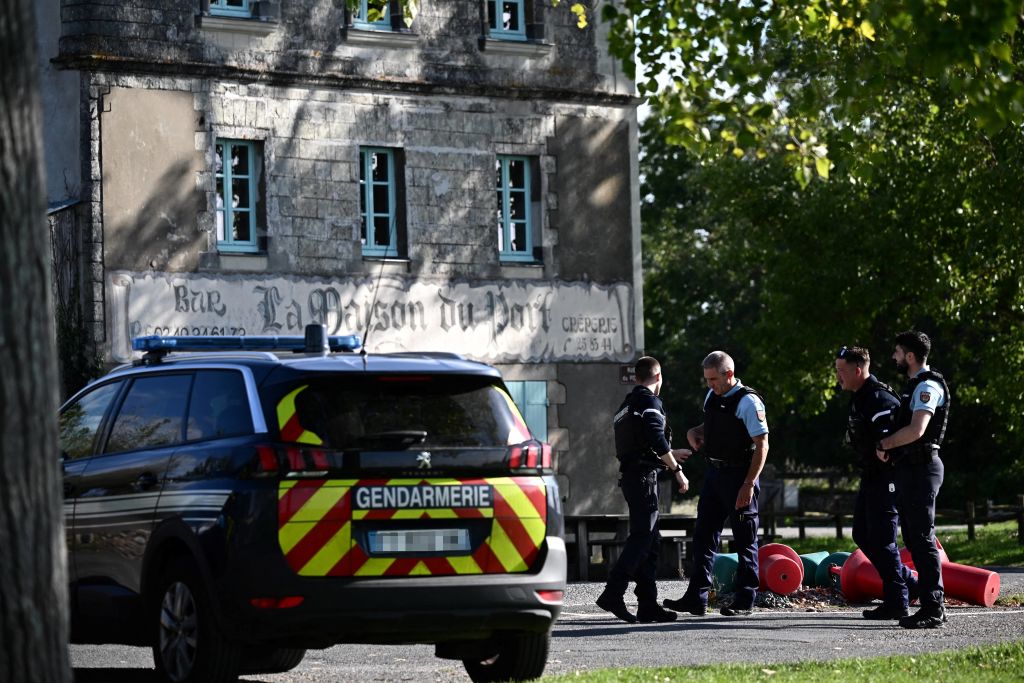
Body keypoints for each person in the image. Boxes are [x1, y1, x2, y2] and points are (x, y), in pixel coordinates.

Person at [663, 351, 768, 617]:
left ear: (729, 374)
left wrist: (748, 484)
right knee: (703, 536)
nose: (709, 385)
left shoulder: (748, 401)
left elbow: (762, 445)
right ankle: (696, 597)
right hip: (715, 474)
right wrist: (693, 432)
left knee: (745, 539)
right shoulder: (713, 396)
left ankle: (745, 598)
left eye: (713, 379)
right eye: (707, 379)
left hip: (739, 476)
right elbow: (708, 425)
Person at [596, 356, 692, 624]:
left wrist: (669, 454)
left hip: (633, 477)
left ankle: (648, 604)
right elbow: (655, 435)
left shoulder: (625, 407)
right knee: (641, 538)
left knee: (650, 542)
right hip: (642, 479)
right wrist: (677, 470)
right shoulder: (648, 402)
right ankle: (612, 593)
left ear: (636, 377)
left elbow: (640, 444)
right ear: (658, 377)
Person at [835, 345, 918, 619]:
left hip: (887, 478)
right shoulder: (861, 396)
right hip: (871, 476)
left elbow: (890, 444)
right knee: (862, 534)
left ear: (858, 370)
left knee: (882, 541)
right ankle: (909, 583)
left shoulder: (878, 398)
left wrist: (883, 455)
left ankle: (897, 600)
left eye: (842, 371)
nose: (838, 376)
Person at [876, 330, 950, 629]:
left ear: (909, 355)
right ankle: (930, 604)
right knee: (915, 537)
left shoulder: (928, 386)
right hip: (911, 469)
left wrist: (885, 445)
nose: (893, 357)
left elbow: (917, 429)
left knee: (921, 538)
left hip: (924, 469)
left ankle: (934, 607)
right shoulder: (914, 386)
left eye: (897, 351)